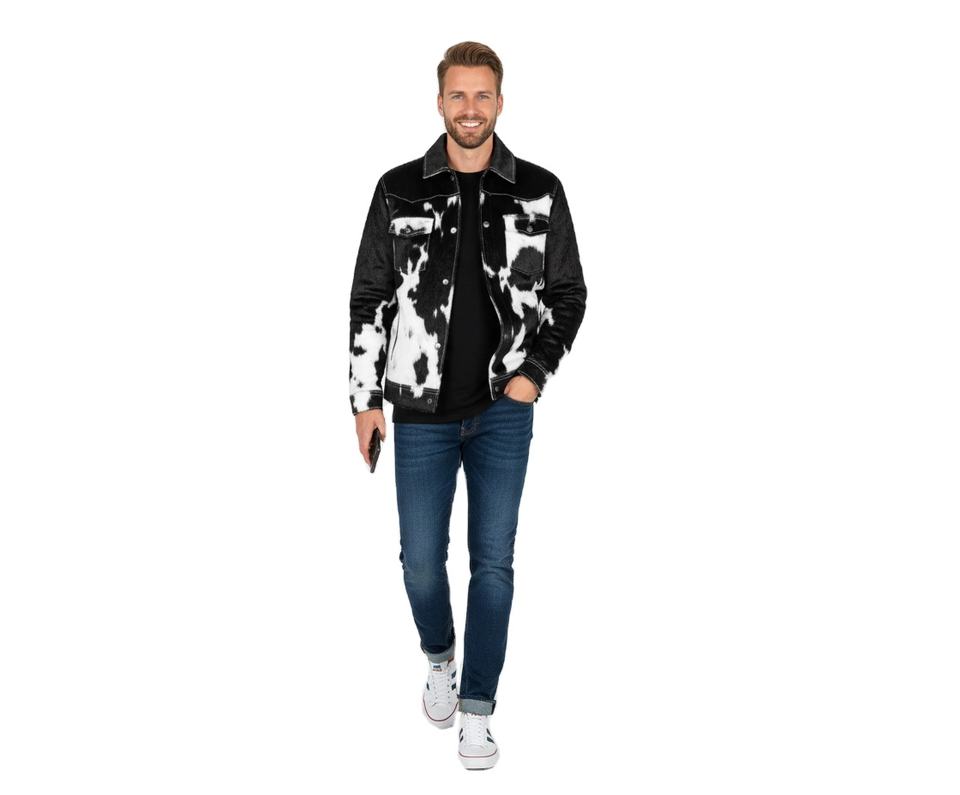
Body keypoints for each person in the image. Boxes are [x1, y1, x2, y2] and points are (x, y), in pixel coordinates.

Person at [347, 41, 587, 770]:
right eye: (459, 95)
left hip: (504, 410)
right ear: (440, 102)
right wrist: (363, 399)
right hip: (419, 410)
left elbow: (569, 294)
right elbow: (370, 297)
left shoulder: (540, 190)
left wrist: (533, 374)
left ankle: (478, 708)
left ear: (500, 102)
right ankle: (439, 656)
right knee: (420, 563)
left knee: (494, 564)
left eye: (483, 95)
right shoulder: (399, 189)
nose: (471, 109)